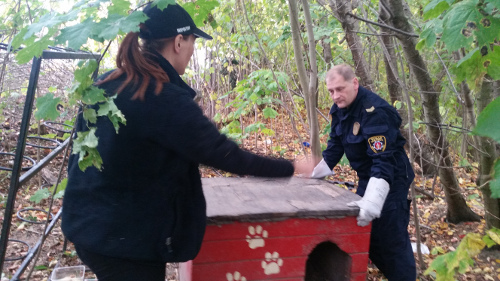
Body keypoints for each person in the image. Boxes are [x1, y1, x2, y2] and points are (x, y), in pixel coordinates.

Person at [61, 4, 304, 281]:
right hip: (124, 242)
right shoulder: (163, 97)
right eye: (192, 42)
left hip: (88, 226)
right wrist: (292, 166)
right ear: (178, 42)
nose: (191, 52)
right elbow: (224, 154)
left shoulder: (107, 82)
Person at [311, 64, 416, 280]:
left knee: (390, 236)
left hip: (392, 178)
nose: (335, 96)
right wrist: (315, 175)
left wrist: (374, 200)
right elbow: (335, 145)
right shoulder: (341, 110)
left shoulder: (374, 112)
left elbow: (383, 161)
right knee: (368, 233)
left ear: (355, 83)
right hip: (368, 177)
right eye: (331, 91)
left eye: (340, 89)